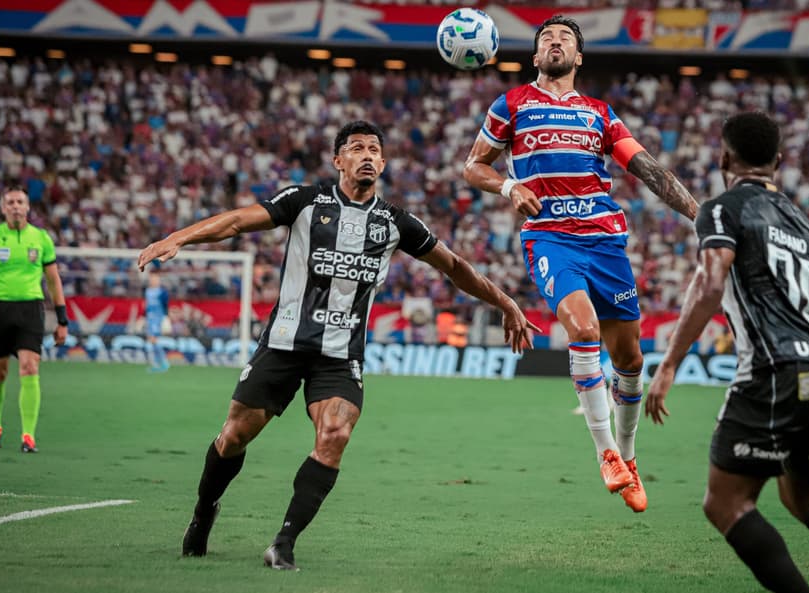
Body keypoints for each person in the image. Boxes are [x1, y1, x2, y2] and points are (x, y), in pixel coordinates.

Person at [137, 120, 537, 571]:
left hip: (341, 354)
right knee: (233, 437)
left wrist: (505, 302)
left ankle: (283, 543)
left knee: (335, 435)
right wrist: (178, 237)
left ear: (383, 163)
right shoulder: (304, 201)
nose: (367, 155)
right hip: (284, 344)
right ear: (338, 160)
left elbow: (455, 266)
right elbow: (235, 222)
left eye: (374, 150)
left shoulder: (395, 222)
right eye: (357, 148)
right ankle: (203, 511)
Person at [646, 112, 809, 593]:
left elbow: (709, 286)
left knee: (727, 503)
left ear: (723, 158)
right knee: (808, 498)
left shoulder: (721, 210)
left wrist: (669, 365)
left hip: (774, 369)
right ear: (778, 162)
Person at [463, 14, 698, 512]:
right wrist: (510, 186)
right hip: (551, 239)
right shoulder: (512, 104)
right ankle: (607, 452)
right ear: (535, 55)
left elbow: (648, 169)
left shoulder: (600, 113)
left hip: (606, 241)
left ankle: (629, 457)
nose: (555, 42)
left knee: (630, 360)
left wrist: (699, 215)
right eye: (546, 37)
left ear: (579, 56)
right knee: (583, 329)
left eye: (565, 37)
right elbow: (473, 165)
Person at [0, 188, 69, 453]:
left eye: (20, 202)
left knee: (29, 366)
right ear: (3, 208)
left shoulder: (41, 238)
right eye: (10, 202)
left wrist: (62, 319)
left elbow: (52, 280)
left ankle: (28, 436)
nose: (15, 206)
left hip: (30, 310)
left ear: (27, 207)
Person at [144, 269, 170, 372]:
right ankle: (160, 363)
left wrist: (165, 317)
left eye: (155, 279)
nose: (153, 280)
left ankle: (162, 363)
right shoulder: (147, 291)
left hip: (157, 318)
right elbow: (147, 306)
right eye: (151, 278)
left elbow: (165, 305)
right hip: (150, 318)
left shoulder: (162, 292)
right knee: (152, 340)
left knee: (153, 339)